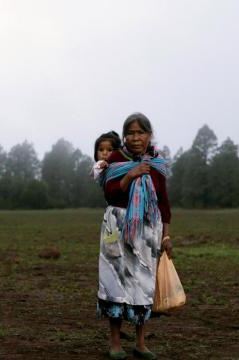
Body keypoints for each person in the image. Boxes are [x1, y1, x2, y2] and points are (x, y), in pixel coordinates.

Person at [97, 113, 172, 360]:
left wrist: (166, 237)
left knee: (143, 284)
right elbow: (110, 193)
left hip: (148, 229)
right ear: (125, 136)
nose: (135, 137)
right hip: (116, 226)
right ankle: (115, 343)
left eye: (140, 132)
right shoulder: (116, 159)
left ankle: (140, 344)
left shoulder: (157, 163)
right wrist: (132, 174)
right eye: (130, 133)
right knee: (115, 282)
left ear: (149, 135)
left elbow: (163, 202)